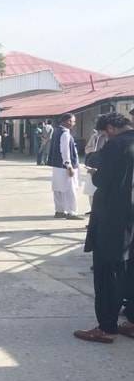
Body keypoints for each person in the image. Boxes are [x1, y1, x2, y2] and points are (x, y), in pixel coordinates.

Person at [74, 113, 134, 343]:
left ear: (110, 127)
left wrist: (95, 172)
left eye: (105, 131)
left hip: (113, 220)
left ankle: (106, 328)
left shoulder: (116, 145)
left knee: (107, 274)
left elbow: (102, 180)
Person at [48, 113, 81, 220]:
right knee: (70, 190)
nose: (74, 123)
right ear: (67, 121)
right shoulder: (65, 134)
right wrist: (69, 166)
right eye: (73, 121)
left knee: (58, 188)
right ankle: (72, 212)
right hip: (65, 166)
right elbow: (65, 150)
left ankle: (59, 211)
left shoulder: (57, 131)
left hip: (57, 166)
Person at [83, 128, 107, 212]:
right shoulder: (94, 136)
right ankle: (92, 209)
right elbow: (86, 149)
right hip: (92, 164)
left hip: (104, 166)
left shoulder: (110, 137)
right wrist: (94, 149)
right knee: (90, 190)